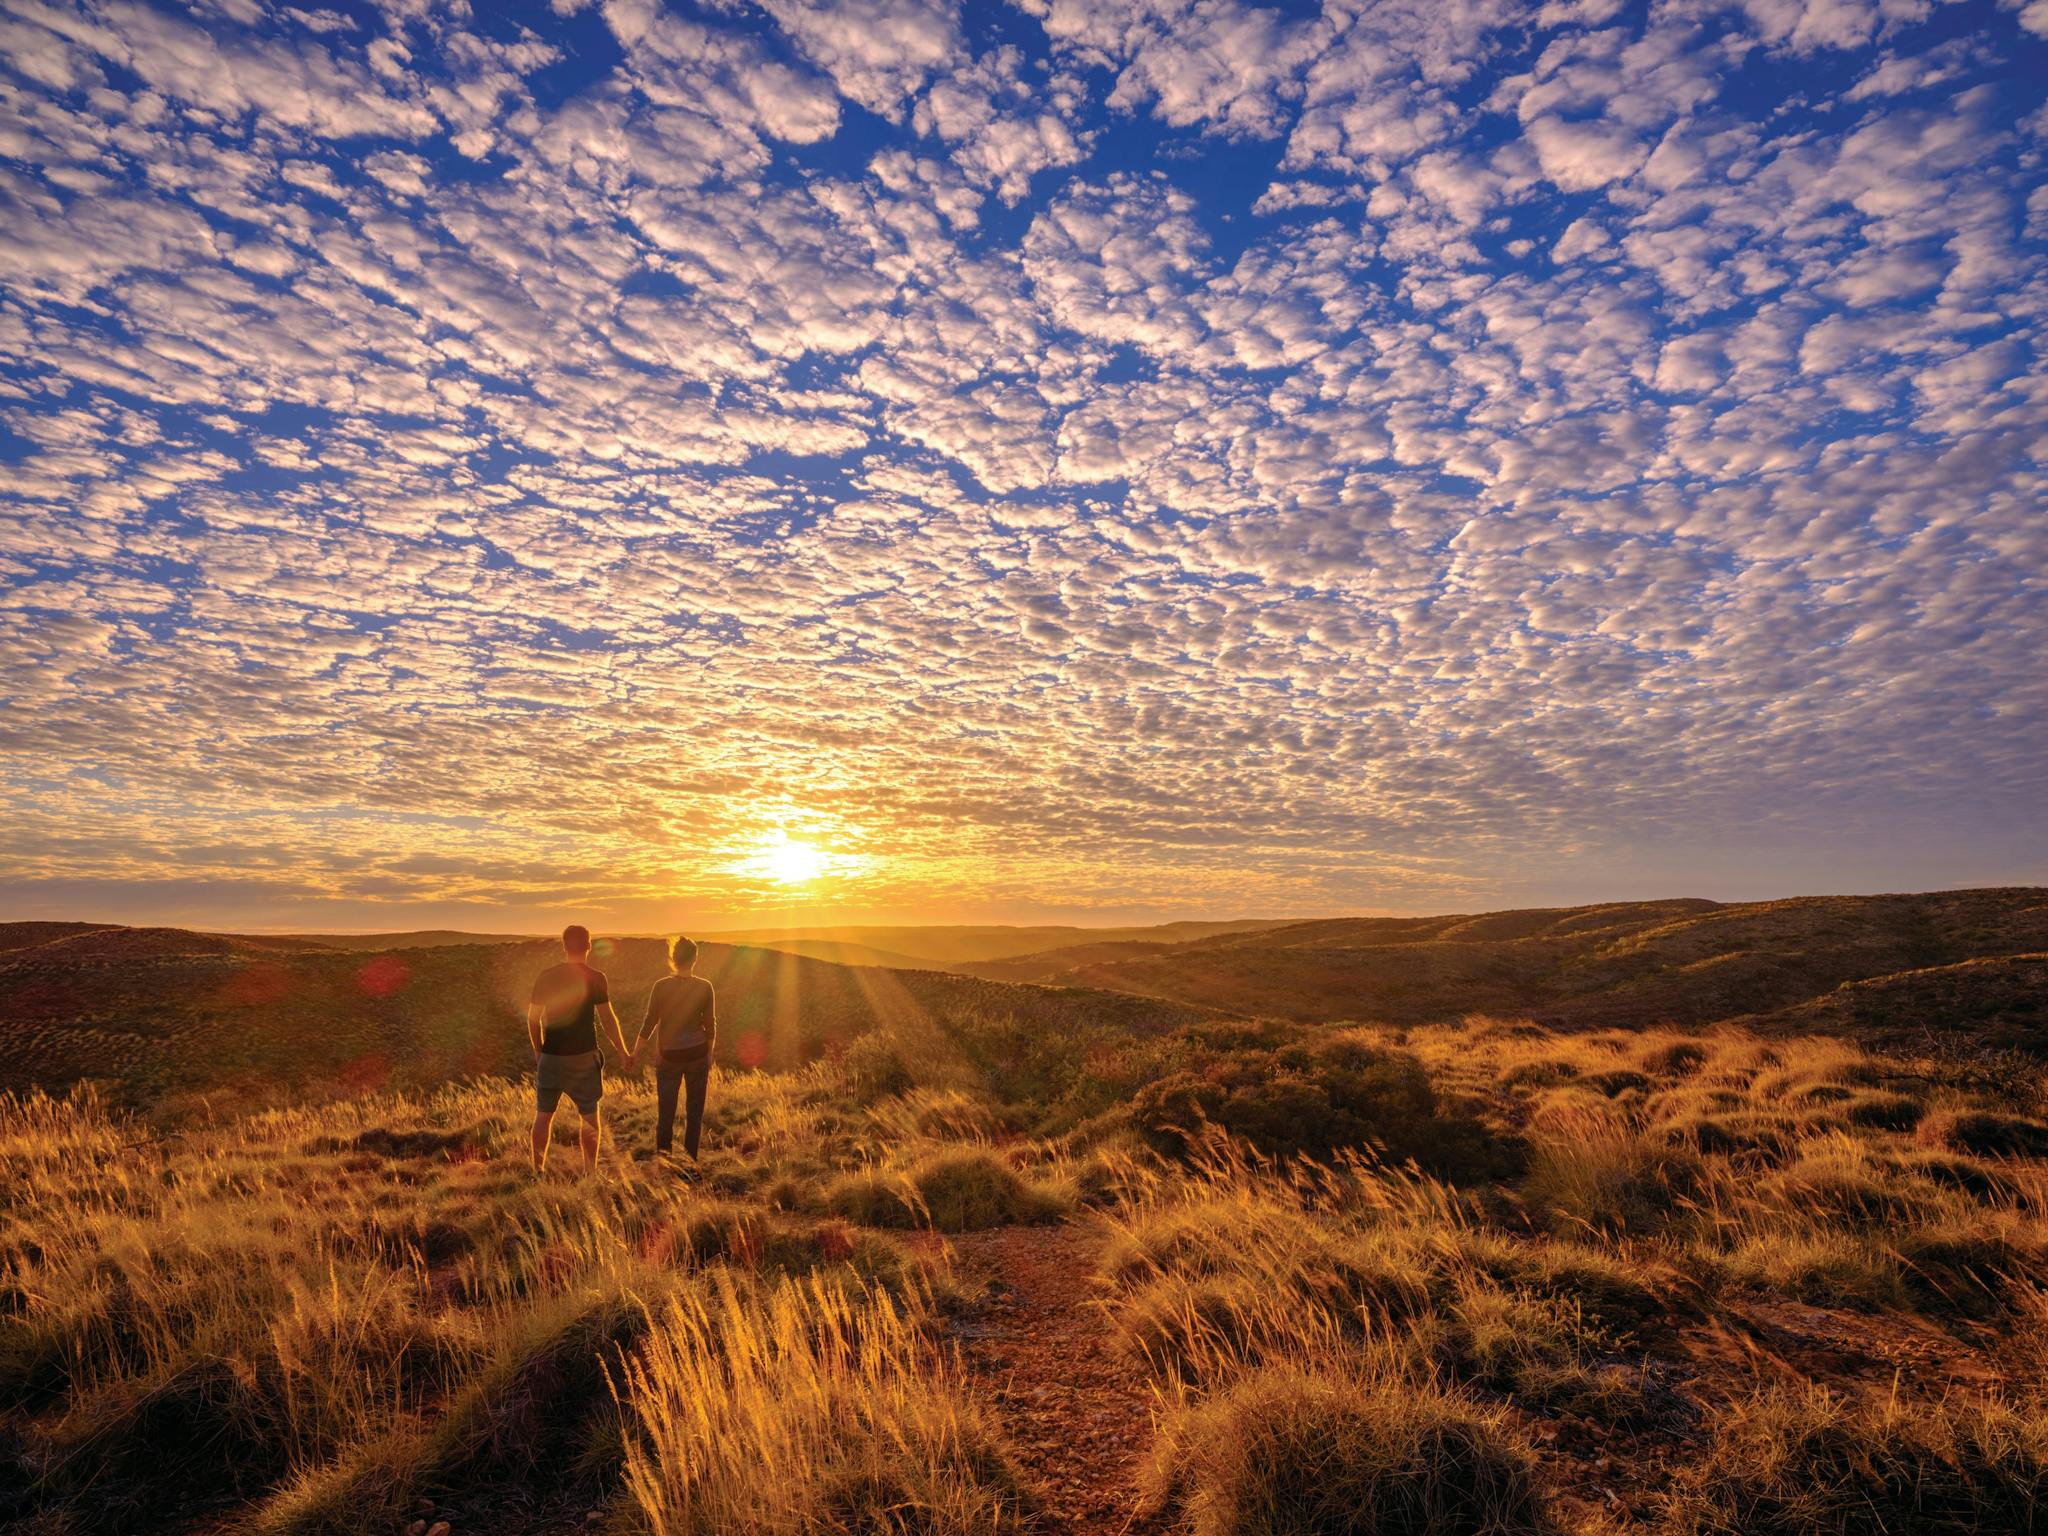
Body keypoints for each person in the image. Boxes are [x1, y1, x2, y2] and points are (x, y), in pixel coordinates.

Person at [527, 924, 632, 1176]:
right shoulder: (596, 977)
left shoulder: (546, 975)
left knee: (543, 1116)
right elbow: (608, 1020)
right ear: (588, 946)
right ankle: (591, 1173)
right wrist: (622, 1051)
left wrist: (539, 1051)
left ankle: (538, 1172)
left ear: (564, 946)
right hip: (584, 1057)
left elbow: (533, 1018)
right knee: (589, 1116)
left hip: (552, 1056)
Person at [629, 935, 717, 1161]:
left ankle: (665, 1162)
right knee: (694, 1113)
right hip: (697, 1053)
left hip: (669, 1056)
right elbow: (710, 1027)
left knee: (665, 1112)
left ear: (673, 958)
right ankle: (690, 1163)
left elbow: (649, 1022)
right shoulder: (705, 987)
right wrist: (708, 1056)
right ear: (695, 959)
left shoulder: (661, 986)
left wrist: (634, 1054)